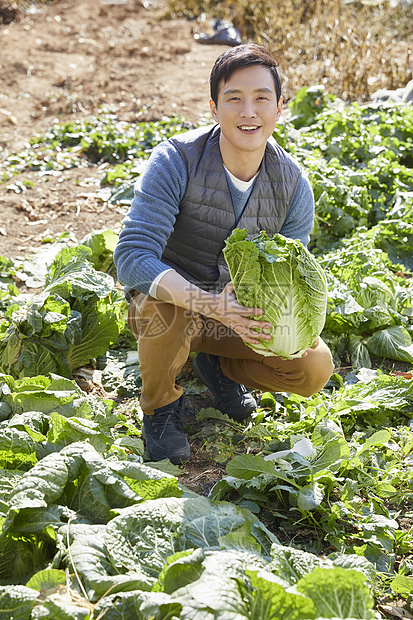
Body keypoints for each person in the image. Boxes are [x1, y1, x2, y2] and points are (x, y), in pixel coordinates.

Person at [114, 43, 334, 464]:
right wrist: (210, 303)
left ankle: (217, 367)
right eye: (234, 98)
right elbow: (133, 256)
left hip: (235, 319)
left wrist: (255, 317)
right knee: (166, 313)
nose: (248, 111)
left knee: (314, 366)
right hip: (172, 310)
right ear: (214, 107)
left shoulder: (293, 185)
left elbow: (294, 275)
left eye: (261, 98)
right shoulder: (176, 160)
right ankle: (160, 408)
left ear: (279, 107)